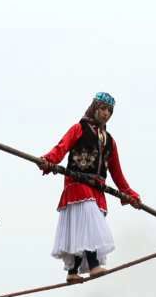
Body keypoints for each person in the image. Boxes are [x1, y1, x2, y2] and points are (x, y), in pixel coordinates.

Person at [37, 91, 142, 281]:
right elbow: (61, 147)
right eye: (102, 109)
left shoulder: (109, 140)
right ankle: (93, 266)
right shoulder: (78, 129)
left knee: (82, 230)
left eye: (109, 111)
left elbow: (117, 172)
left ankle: (72, 273)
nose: (106, 114)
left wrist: (129, 194)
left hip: (96, 189)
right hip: (78, 186)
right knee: (89, 226)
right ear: (94, 108)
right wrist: (48, 160)